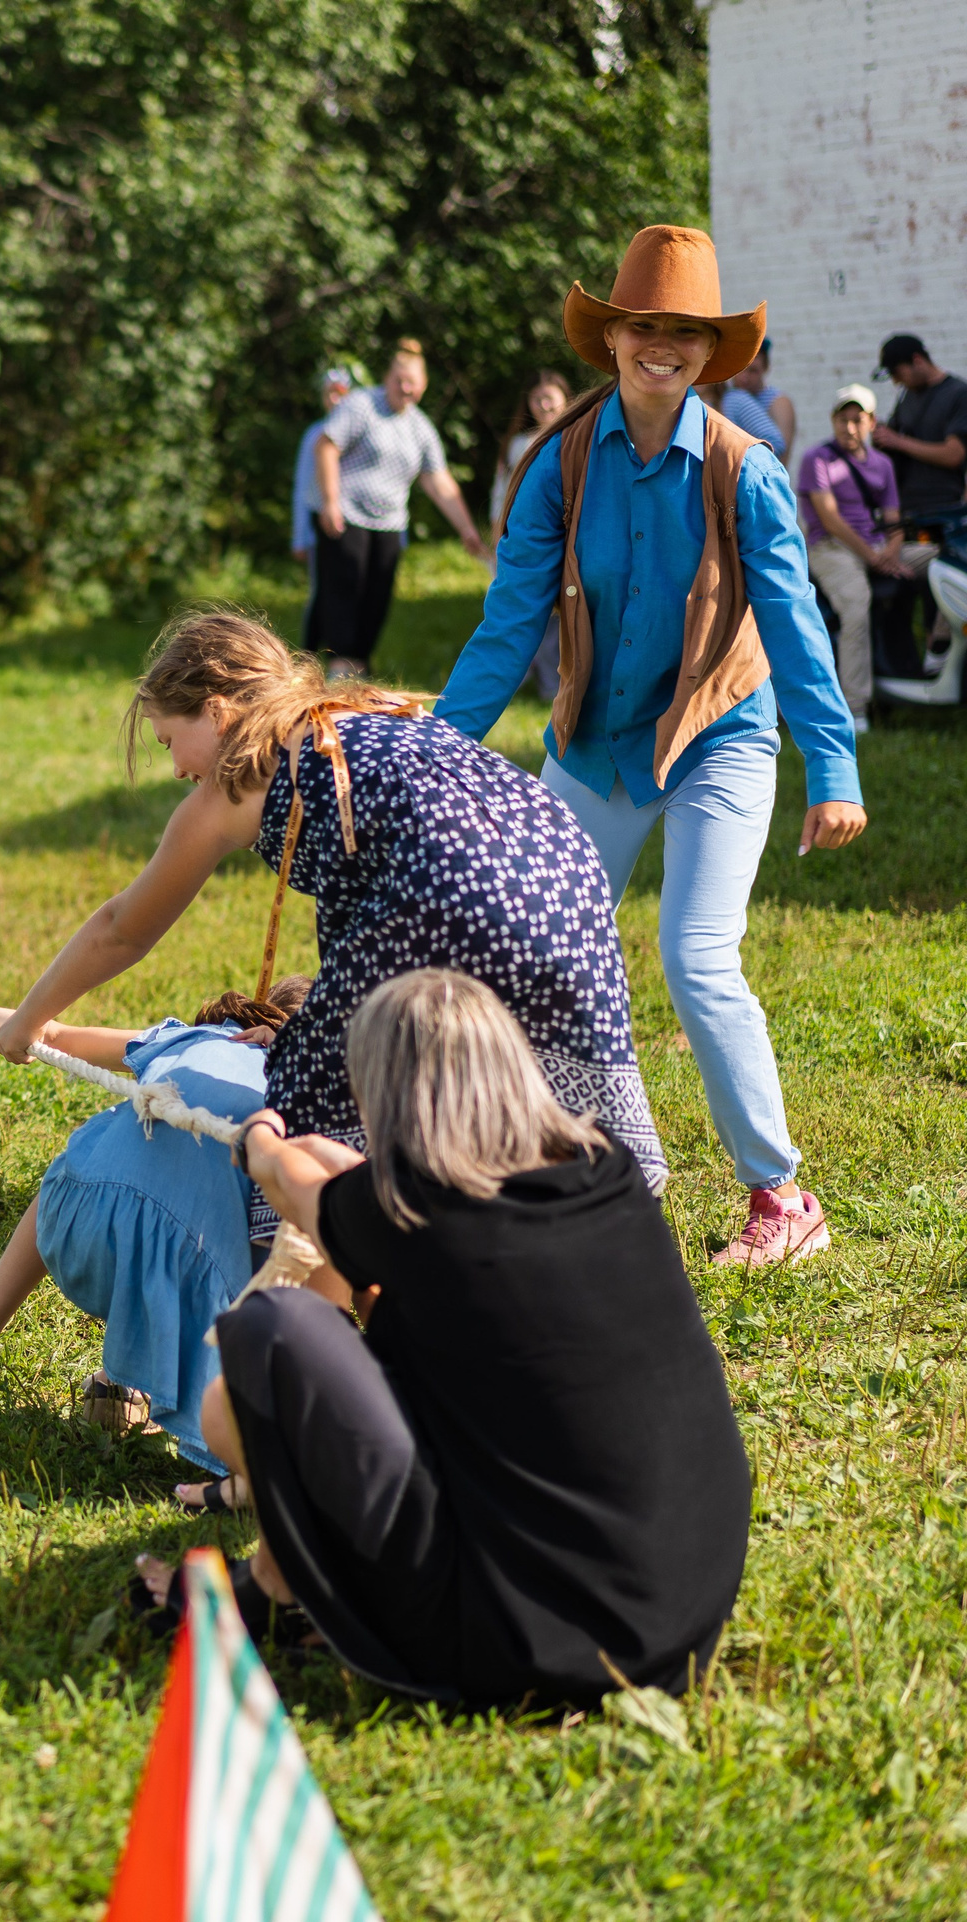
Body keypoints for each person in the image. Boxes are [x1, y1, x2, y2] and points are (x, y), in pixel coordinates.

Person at [136, 970, 750, 1710]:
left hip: (521, 1647)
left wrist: (264, 1137)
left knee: (275, 1330)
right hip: (683, 1620)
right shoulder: (606, 1173)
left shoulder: (407, 1211)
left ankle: (272, 1592)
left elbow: (288, 1182)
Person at [439, 224, 862, 1268]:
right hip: (596, 741)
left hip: (720, 735)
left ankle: (781, 1197)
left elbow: (795, 627)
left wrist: (833, 767)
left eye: (685, 331)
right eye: (643, 327)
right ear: (613, 337)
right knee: (530, 946)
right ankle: (548, 1167)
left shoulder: (744, 470)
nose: (661, 345)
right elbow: (509, 623)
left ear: (711, 351)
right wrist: (435, 754)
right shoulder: (560, 463)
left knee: (695, 955)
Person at [0, 606, 663, 1192]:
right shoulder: (360, 713)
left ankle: (331, 1255)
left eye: (170, 740)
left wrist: (28, 1021)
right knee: (502, 1075)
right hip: (565, 874)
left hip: (452, 896)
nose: (175, 768)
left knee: (310, 1097)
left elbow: (122, 928)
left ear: (218, 713)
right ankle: (591, 1201)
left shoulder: (234, 782)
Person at [0, 978, 312, 1476]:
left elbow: (52, 1035)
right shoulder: (318, 1089)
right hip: (187, 1285)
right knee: (226, 1232)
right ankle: (120, 1385)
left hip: (73, 1227)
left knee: (87, 1163)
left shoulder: (186, 1037)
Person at [310, 340, 492, 675]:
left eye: (413, 383)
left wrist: (467, 530)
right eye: (400, 380)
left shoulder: (420, 427)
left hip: (390, 523)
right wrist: (330, 501)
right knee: (345, 590)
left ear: (424, 386)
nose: (406, 388)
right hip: (347, 515)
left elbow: (438, 481)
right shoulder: (361, 405)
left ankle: (359, 666)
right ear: (387, 378)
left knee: (377, 598)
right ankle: (338, 666)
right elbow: (326, 446)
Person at [798, 385, 910, 726]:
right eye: (842, 419)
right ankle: (856, 709)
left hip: (879, 547)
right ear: (832, 420)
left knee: (941, 562)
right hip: (831, 548)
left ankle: (936, 652)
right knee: (856, 607)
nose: (848, 427)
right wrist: (875, 558)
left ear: (872, 422)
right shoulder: (817, 459)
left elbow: (894, 520)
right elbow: (830, 519)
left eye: (857, 420)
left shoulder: (882, 463)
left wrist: (891, 552)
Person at [490, 370, 574, 699]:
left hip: (565, 539)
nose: (543, 405)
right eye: (536, 399)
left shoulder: (576, 438)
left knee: (560, 614)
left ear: (565, 399)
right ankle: (518, 676)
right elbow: (501, 494)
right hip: (525, 538)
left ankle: (554, 685)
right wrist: (497, 533)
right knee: (524, 606)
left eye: (549, 397)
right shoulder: (519, 445)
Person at [292, 365, 358, 653]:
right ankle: (309, 653)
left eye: (341, 392)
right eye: (329, 393)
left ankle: (348, 655)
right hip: (321, 522)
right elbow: (303, 487)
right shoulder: (315, 435)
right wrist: (300, 536)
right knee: (321, 590)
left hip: (353, 525)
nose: (335, 399)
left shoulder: (359, 430)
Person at [873, 333, 967, 516]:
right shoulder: (907, 396)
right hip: (905, 506)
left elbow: (954, 455)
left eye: (897, 373)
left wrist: (898, 441)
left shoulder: (958, 394)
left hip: (944, 507)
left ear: (917, 360)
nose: (896, 381)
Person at [711, 339, 792, 462]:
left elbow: (780, 454)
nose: (744, 378)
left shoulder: (777, 402)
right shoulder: (727, 398)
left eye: (753, 371)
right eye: (740, 369)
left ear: (766, 368)